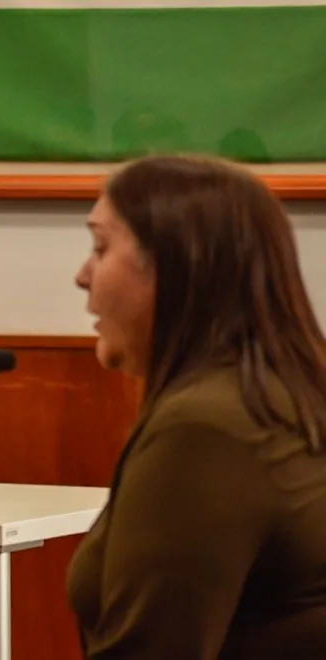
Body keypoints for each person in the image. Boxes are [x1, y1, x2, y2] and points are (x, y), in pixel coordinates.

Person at [67, 154, 326, 658]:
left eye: (101, 247)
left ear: (176, 267)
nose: (82, 275)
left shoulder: (206, 430)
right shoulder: (283, 397)